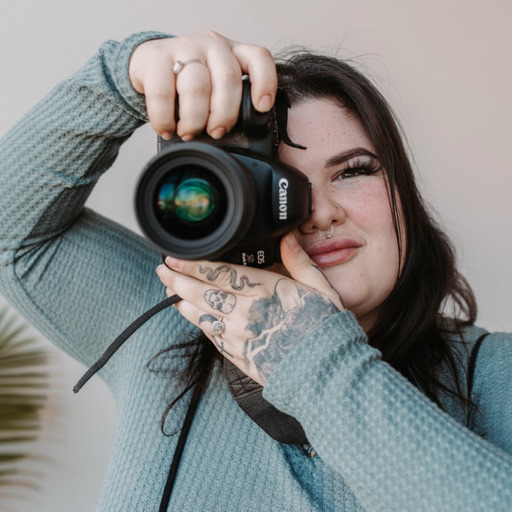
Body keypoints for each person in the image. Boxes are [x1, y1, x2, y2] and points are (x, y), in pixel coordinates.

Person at [0, 29, 511, 511]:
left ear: (405, 193)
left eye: (352, 171)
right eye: (277, 186)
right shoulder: (162, 326)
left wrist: (314, 361)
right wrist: (126, 77)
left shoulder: (493, 373)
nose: (317, 212)